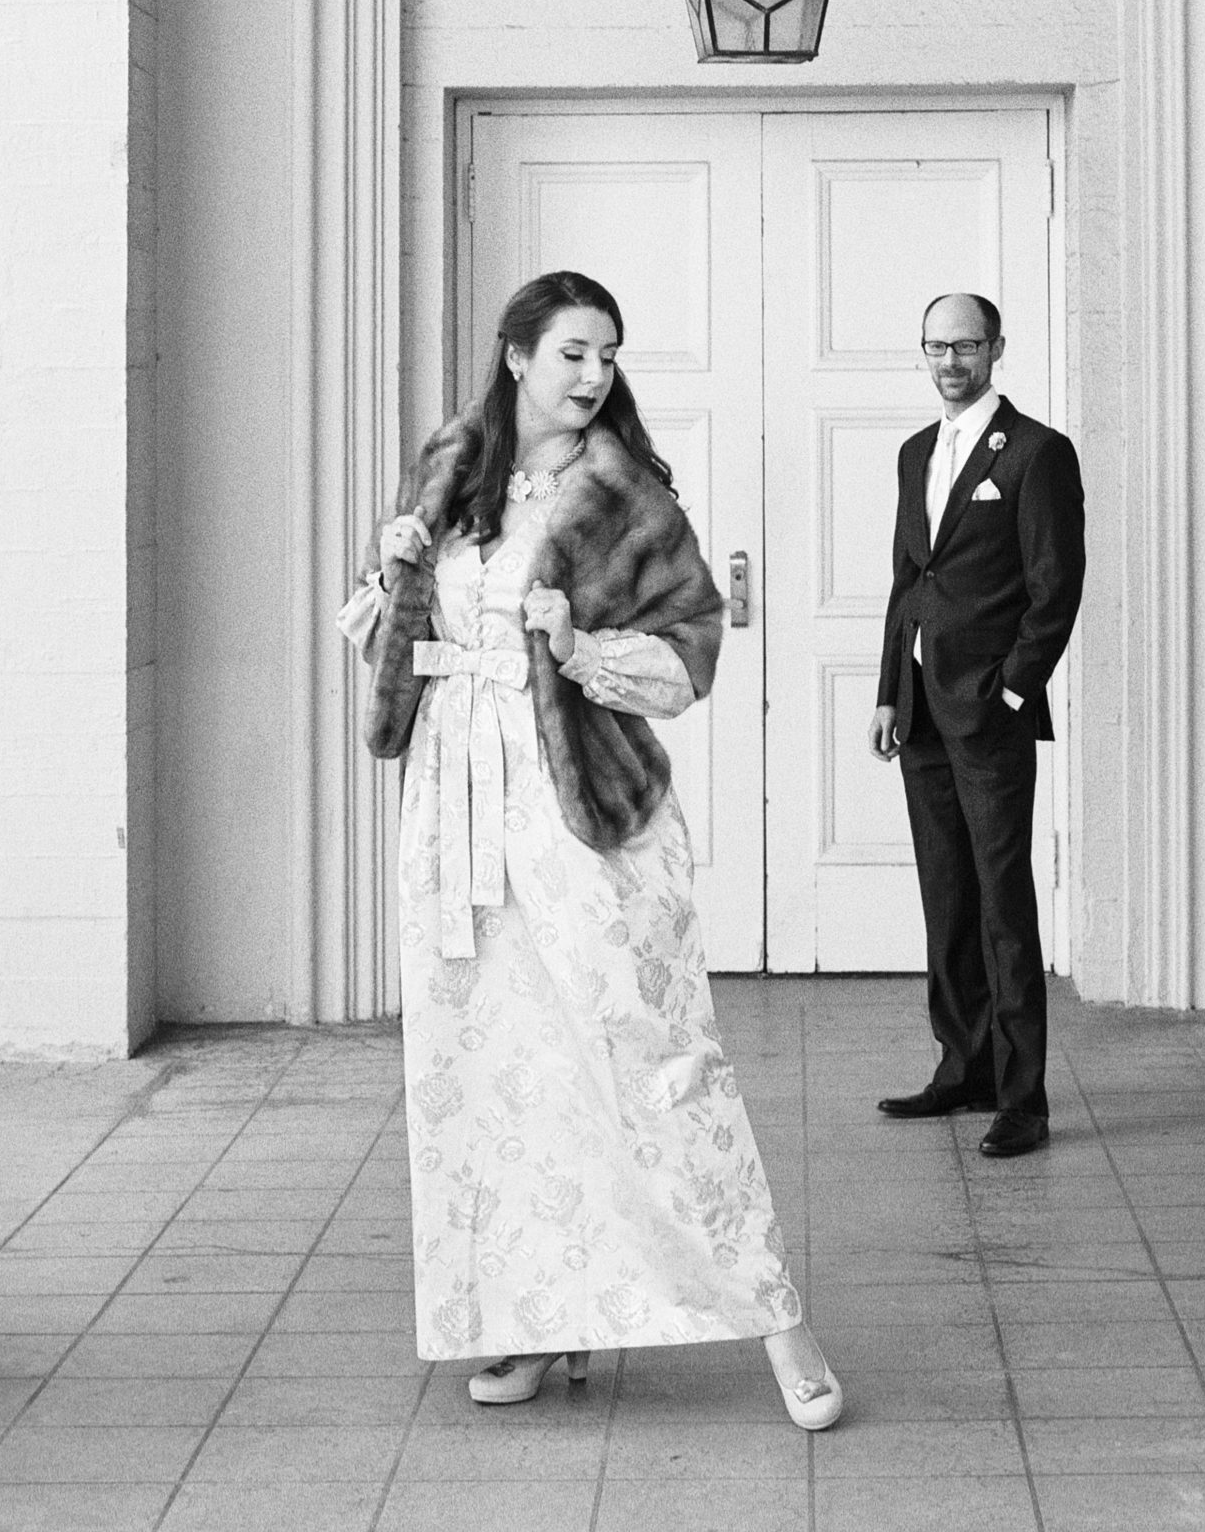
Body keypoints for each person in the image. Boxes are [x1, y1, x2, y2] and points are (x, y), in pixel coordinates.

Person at [339, 270, 842, 1426]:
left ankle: (780, 1319)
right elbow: (392, 635)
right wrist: (390, 574)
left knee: (654, 1060)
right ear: (516, 354)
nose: (593, 373)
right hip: (454, 809)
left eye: (607, 353)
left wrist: (576, 647)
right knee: (495, 1073)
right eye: (573, 350)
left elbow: (687, 660)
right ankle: (536, 1318)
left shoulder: (628, 499)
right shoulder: (449, 470)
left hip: (581, 814)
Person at [868, 291, 1085, 1158]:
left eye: (964, 346)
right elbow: (907, 581)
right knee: (947, 895)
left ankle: (1021, 1098)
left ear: (996, 348)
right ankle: (964, 1068)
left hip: (988, 711)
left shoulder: (1035, 453)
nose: (949, 362)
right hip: (920, 709)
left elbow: (1054, 587)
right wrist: (889, 692)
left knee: (1001, 901)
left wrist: (1011, 692)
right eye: (935, 346)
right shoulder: (914, 452)